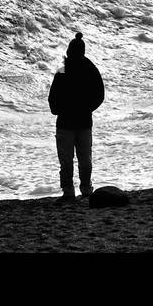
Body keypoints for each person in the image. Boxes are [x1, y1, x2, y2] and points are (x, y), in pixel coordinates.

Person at [47, 31, 105, 200]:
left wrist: (60, 110)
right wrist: (87, 109)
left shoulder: (66, 71)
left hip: (70, 123)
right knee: (81, 160)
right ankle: (81, 190)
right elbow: (99, 95)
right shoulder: (89, 70)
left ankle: (72, 191)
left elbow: (53, 99)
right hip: (79, 122)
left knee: (71, 161)